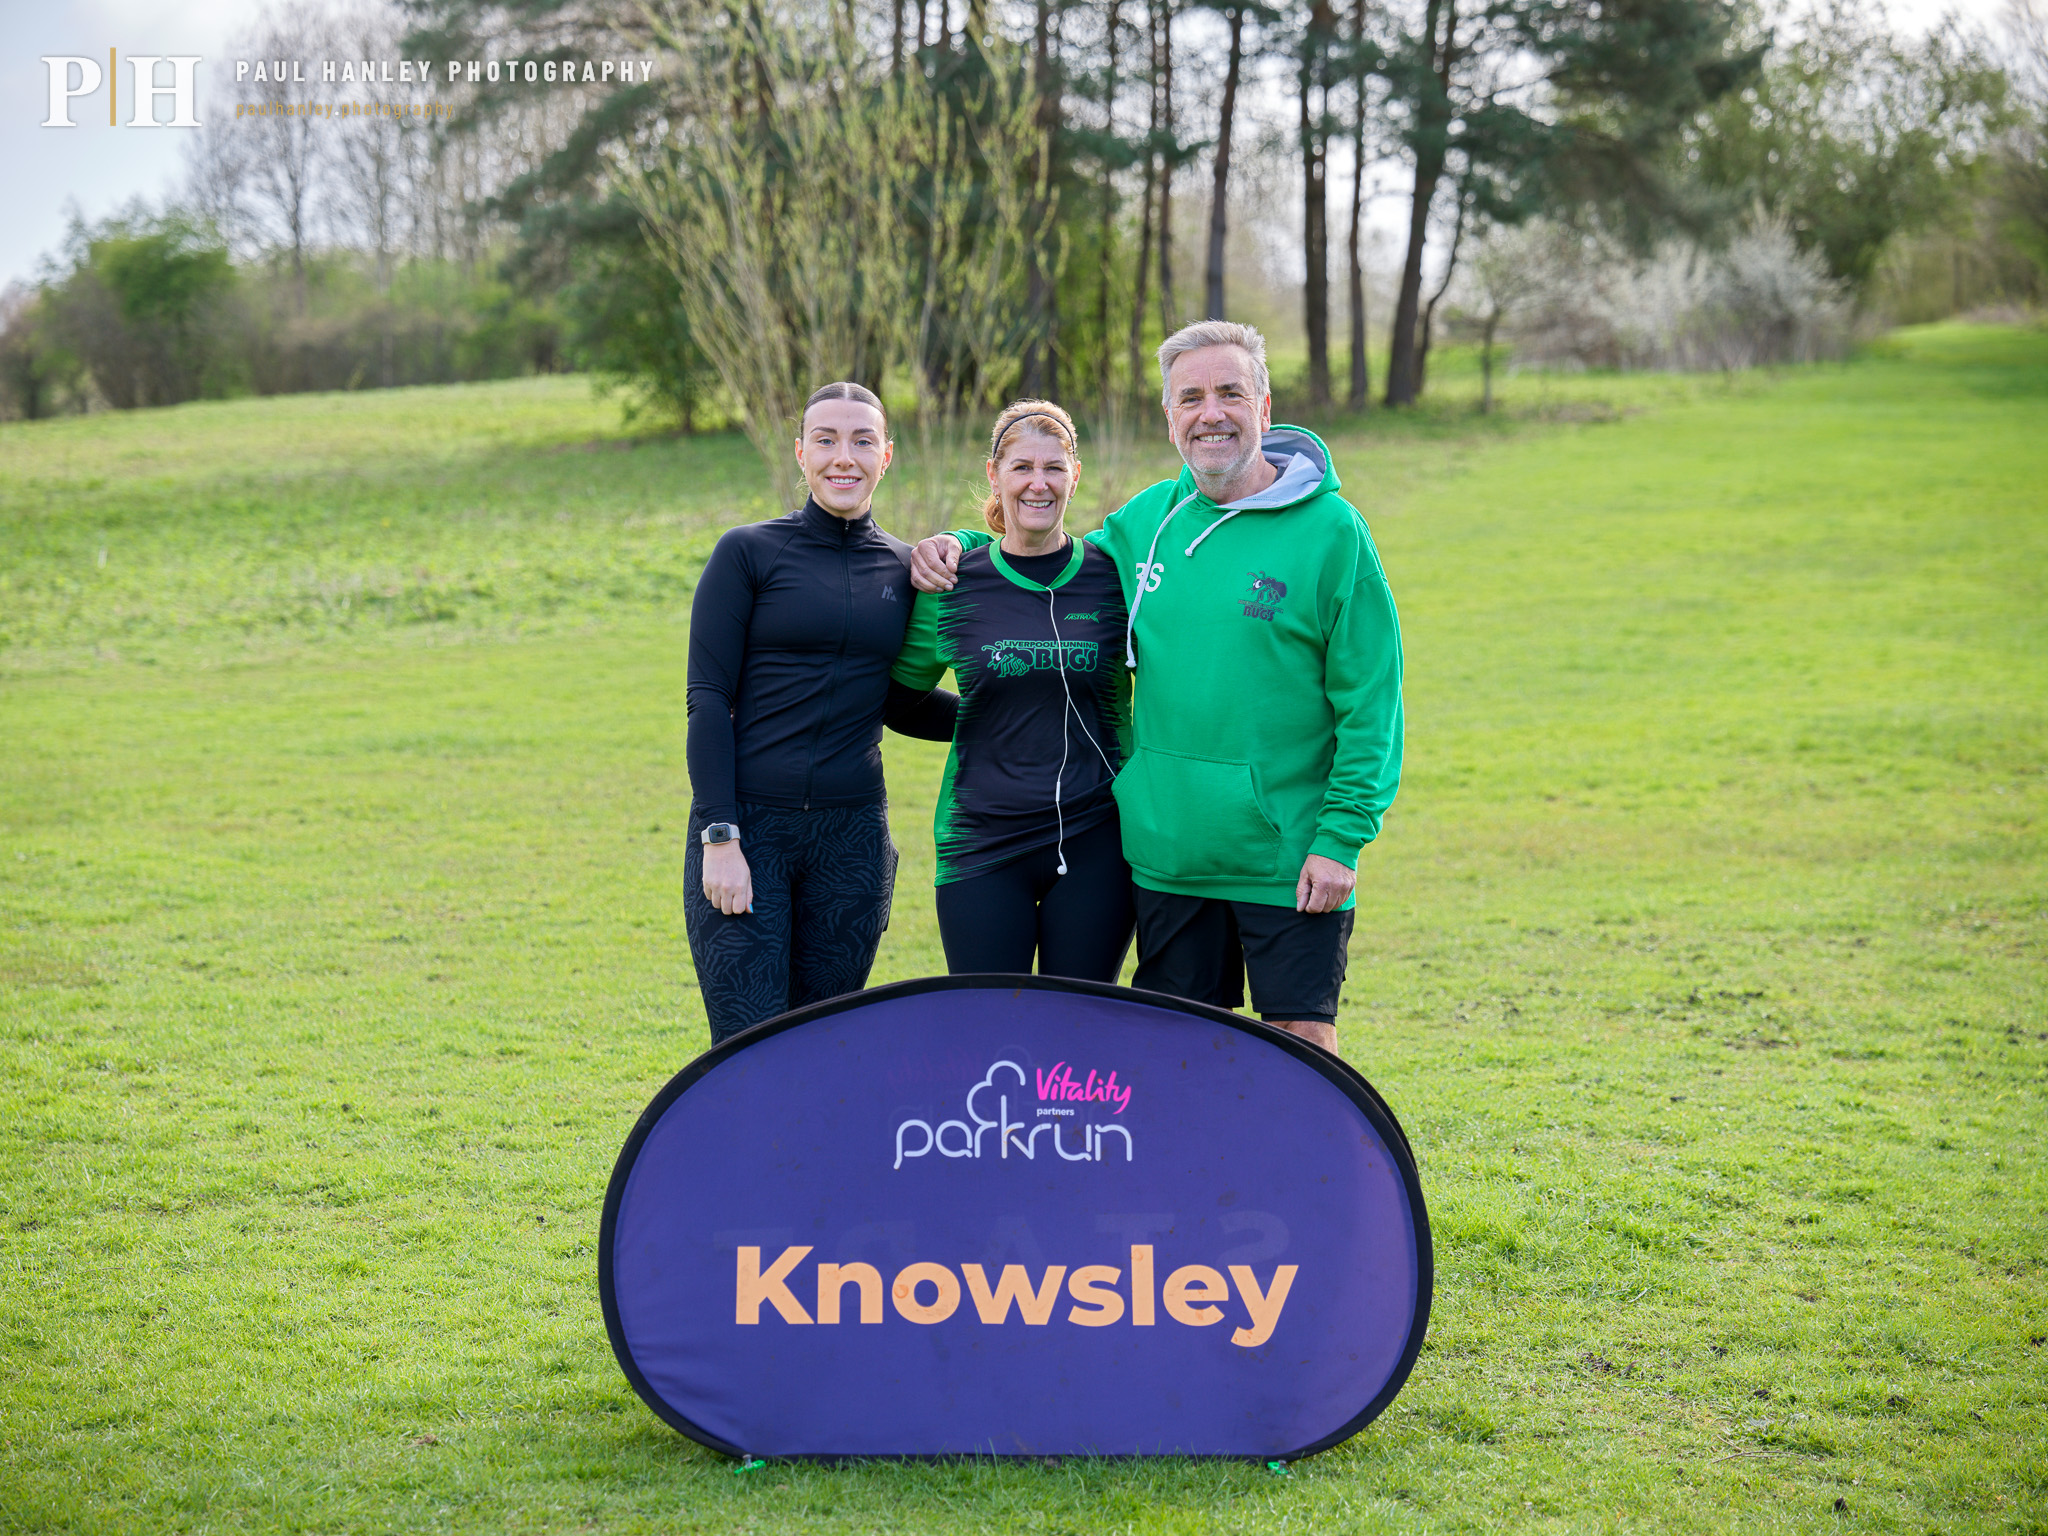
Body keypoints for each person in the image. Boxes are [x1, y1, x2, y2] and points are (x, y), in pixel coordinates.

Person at [909, 321, 1402, 1052]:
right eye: (1190, 398)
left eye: (1230, 393)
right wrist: (964, 546)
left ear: (1264, 407)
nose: (1211, 413)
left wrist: (1341, 839)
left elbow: (1372, 705)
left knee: (1300, 1048)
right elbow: (1046, 556)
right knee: (1176, 1057)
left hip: (1290, 859)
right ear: (1170, 416)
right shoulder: (1146, 523)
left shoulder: (1334, 532)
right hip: (1169, 858)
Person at [685, 382, 956, 1044]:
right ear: (801, 453)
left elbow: (897, 703)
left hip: (852, 843)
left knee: (820, 1048)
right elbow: (708, 698)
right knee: (748, 1049)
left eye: (863, 441)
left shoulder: (903, 569)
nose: (844, 457)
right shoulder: (747, 553)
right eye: (826, 440)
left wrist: (1011, 717)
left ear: (885, 456)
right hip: (750, 831)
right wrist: (720, 838)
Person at [889, 400, 1135, 981]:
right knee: (989, 1022)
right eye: (1022, 467)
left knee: (1079, 1019)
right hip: (981, 840)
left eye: (1053, 468)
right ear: (995, 474)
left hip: (1097, 836)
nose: (1038, 483)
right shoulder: (951, 581)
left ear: (1075, 475)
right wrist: (993, 720)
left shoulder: (1115, 576)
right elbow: (899, 703)